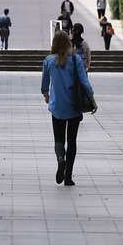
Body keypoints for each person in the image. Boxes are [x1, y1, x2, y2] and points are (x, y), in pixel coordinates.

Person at [41, 31, 94, 186]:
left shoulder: (49, 60)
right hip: (74, 106)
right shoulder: (76, 59)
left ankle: (60, 159)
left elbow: (44, 85)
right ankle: (68, 176)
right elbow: (84, 82)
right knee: (72, 141)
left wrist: (46, 95)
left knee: (59, 139)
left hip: (57, 106)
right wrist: (92, 99)